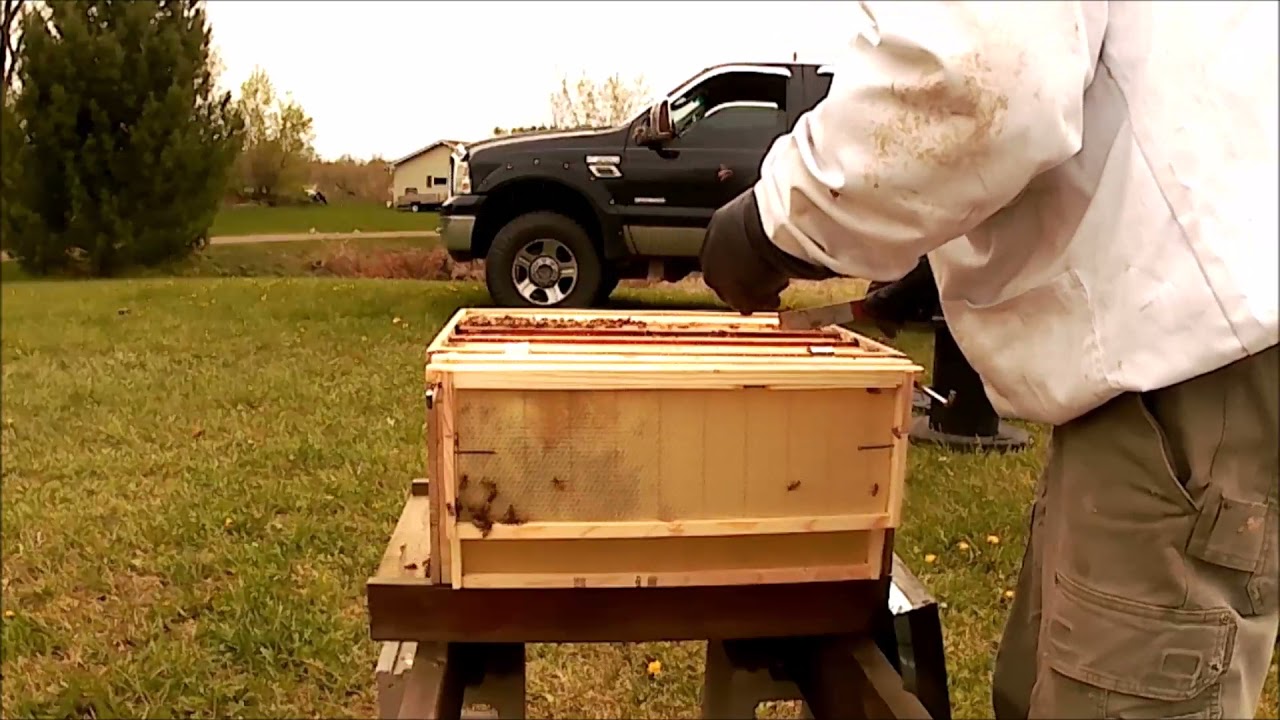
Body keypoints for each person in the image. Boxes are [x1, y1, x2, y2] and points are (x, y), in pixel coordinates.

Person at [699, 2, 1278, 718]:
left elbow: (979, 78)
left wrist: (772, 223)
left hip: (1195, 357)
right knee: (1040, 689)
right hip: (1178, 352)